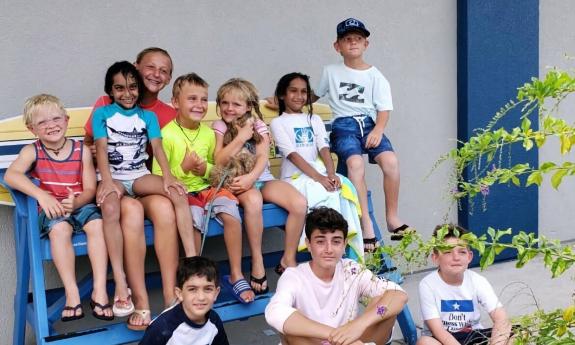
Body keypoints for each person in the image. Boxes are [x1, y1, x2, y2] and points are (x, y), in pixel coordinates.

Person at [93, 61, 195, 329]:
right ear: (110, 90)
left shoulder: (147, 116)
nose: (127, 93)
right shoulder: (102, 114)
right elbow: (101, 148)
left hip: (138, 176)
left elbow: (157, 148)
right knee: (114, 209)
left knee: (176, 194)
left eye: (132, 87)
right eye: (119, 88)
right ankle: (122, 283)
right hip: (113, 178)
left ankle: (192, 265)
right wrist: (105, 181)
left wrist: (170, 177)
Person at [5, 94, 113, 321]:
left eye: (55, 118)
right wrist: (42, 196)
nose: (51, 125)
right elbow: (11, 175)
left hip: (79, 205)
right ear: (31, 128)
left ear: (66, 119)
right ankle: (72, 293)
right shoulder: (32, 151)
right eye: (42, 122)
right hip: (52, 211)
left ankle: (99, 289)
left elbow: (90, 189)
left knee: (97, 223)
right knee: (60, 230)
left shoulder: (80, 150)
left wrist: (78, 202)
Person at [153, 73, 249, 304]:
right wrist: (184, 169)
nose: (199, 105)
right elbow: (159, 176)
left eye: (203, 99)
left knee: (231, 211)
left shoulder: (208, 133)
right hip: (184, 195)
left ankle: (236, 273)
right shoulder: (166, 134)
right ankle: (194, 281)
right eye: (192, 99)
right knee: (195, 221)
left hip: (208, 189)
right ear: (176, 102)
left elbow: (215, 169)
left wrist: (203, 168)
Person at [315, 17, 410, 248]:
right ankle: (365, 223)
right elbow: (314, 96)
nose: (353, 43)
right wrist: (281, 99)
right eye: (347, 40)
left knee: (391, 162)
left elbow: (384, 108)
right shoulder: (331, 72)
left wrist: (378, 129)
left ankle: (392, 217)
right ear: (337, 46)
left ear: (366, 44)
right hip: (343, 125)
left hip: (368, 124)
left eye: (358, 39)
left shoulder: (375, 75)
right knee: (355, 164)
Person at [213, 78, 307, 295]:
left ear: (248, 106)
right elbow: (219, 160)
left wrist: (252, 177)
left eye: (236, 104)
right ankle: (257, 260)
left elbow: (263, 157)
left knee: (299, 203)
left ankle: (288, 258)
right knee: (254, 200)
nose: (229, 108)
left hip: (260, 177)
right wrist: (240, 138)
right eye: (225, 103)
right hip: (237, 182)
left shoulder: (257, 125)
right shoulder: (219, 126)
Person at [265, 207, 408, 345]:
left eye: (336, 241)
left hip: (351, 340)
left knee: (383, 303)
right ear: (308, 244)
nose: (329, 249)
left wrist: (359, 325)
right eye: (320, 241)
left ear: (344, 244)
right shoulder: (294, 276)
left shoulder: (351, 269)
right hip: (319, 342)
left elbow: (398, 294)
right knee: (289, 327)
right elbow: (275, 312)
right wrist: (335, 334)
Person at [269, 72, 364, 258]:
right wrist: (319, 178)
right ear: (282, 94)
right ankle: (320, 247)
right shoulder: (278, 122)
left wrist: (331, 174)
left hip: (318, 174)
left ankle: (342, 247)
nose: (299, 96)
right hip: (294, 179)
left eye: (304, 92)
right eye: (293, 91)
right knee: (320, 191)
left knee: (342, 187)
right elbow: (292, 154)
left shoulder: (315, 119)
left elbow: (324, 148)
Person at [417, 224, 512, 345]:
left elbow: (501, 318)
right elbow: (438, 330)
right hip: (442, 338)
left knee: (518, 333)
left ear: (469, 257)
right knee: (424, 343)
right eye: (447, 252)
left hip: (473, 335)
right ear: (435, 258)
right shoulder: (427, 284)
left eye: (462, 252)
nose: (456, 257)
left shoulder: (477, 281)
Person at [139, 256, 229, 345]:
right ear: (179, 294)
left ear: (216, 293)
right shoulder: (162, 327)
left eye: (208, 289)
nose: (201, 297)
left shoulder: (214, 320)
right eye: (192, 289)